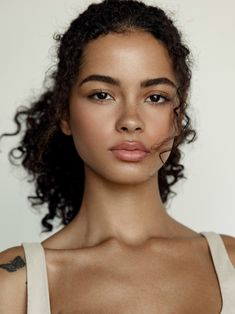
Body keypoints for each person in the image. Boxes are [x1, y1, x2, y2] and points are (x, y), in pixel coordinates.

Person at [0, 0, 235, 313]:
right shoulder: (14, 283)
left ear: (177, 116)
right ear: (64, 113)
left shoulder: (231, 265)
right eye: (102, 94)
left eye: (155, 97)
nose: (131, 120)